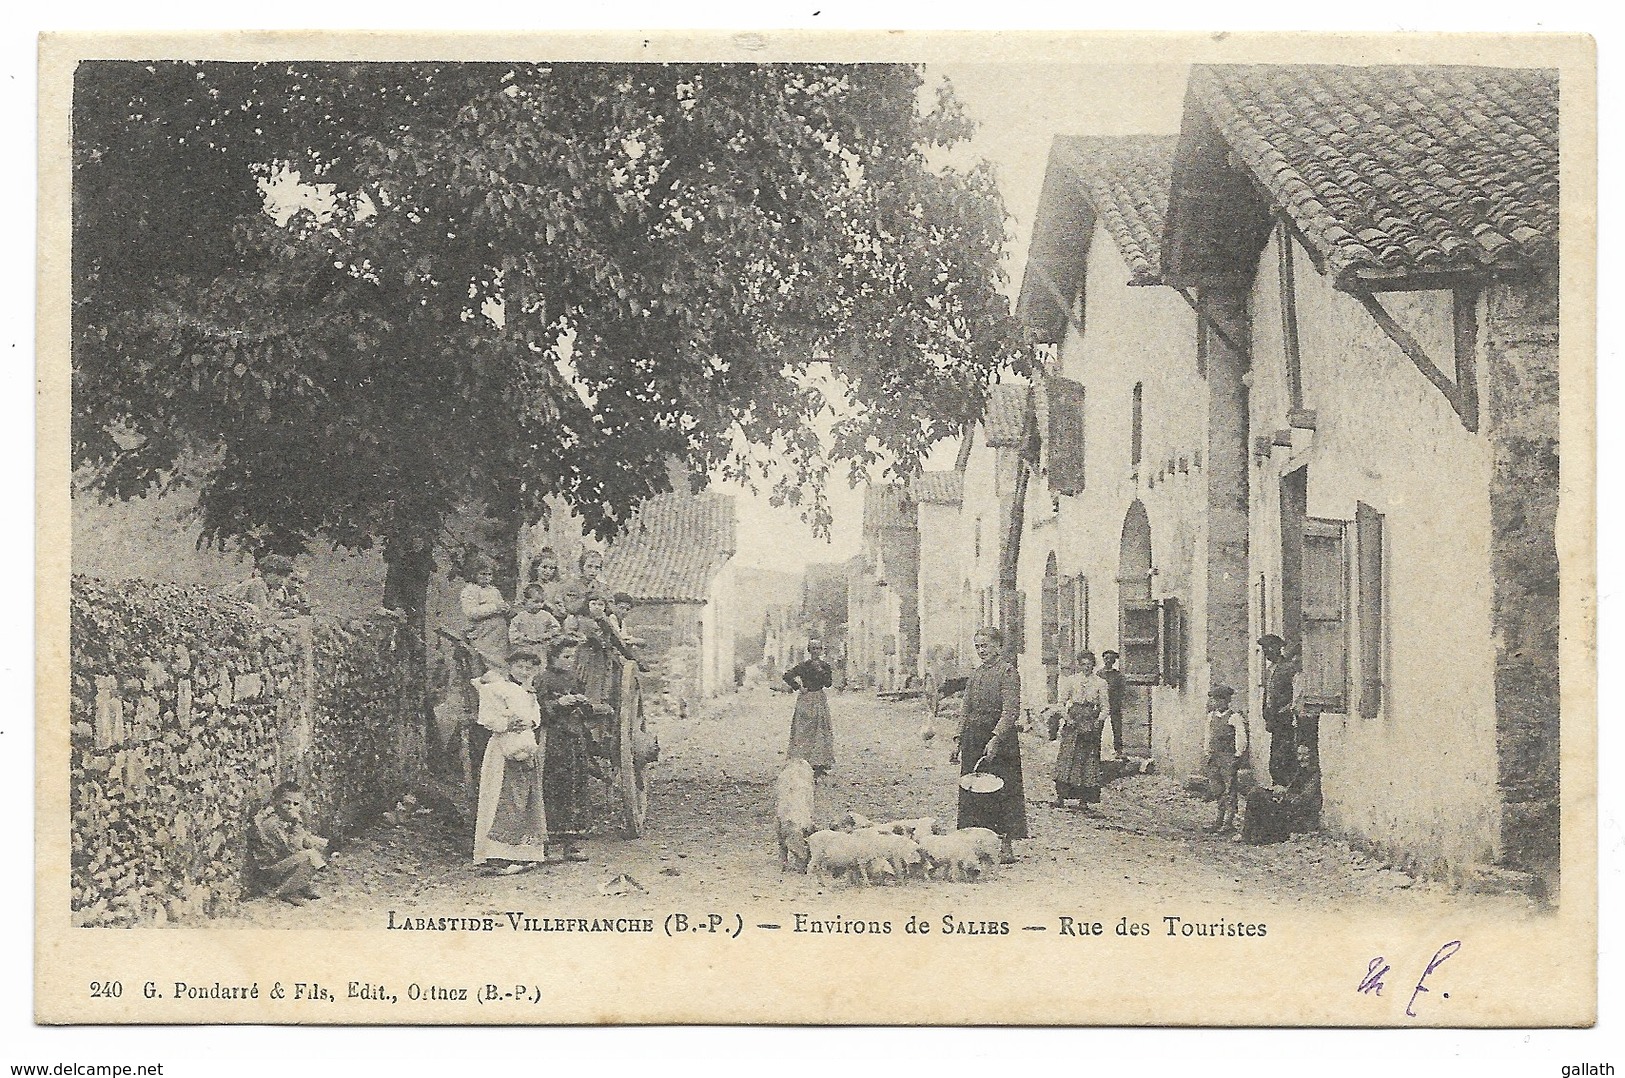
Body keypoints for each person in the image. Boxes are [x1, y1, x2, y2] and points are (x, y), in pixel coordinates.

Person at [472, 648, 550, 875]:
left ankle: (525, 853)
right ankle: (495, 851)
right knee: (499, 796)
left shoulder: (529, 692)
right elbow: (486, 717)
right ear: (511, 667)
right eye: (520, 667)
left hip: (524, 743)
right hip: (503, 747)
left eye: (529, 668)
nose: (524, 671)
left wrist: (531, 723)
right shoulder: (497, 689)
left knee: (526, 798)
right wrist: (506, 725)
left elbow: (537, 716)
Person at [954, 627, 1027, 863]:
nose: (981, 651)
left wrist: (996, 737)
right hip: (974, 737)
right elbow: (965, 709)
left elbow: (1011, 710)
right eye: (977, 646)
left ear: (998, 646)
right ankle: (975, 843)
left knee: (1002, 790)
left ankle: (1005, 846)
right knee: (972, 789)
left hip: (1000, 740)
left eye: (985, 646)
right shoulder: (976, 675)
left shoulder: (1008, 673)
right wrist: (958, 740)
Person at [536, 639, 596, 862]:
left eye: (572, 657)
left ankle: (571, 845)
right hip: (554, 738)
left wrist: (582, 702)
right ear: (553, 657)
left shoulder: (574, 679)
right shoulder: (542, 679)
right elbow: (539, 710)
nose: (570, 662)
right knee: (553, 786)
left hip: (574, 738)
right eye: (565, 657)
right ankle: (547, 846)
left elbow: (588, 711)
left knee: (576, 785)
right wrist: (559, 704)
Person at [248, 781, 330, 905]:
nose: (291, 807)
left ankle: (301, 884)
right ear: (275, 803)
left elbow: (301, 840)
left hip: (282, 863)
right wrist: (297, 824)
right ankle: (287, 891)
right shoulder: (272, 824)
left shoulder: (285, 821)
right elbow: (292, 848)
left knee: (313, 843)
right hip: (269, 870)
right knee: (309, 856)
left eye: (296, 804)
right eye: (286, 802)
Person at [1050, 650, 1108, 811]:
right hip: (1074, 720)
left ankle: (1084, 799)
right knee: (1067, 757)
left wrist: (1098, 721)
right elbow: (1061, 702)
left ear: (1093, 665)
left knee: (1087, 760)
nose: (1086, 667)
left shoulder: (1100, 683)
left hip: (1089, 721)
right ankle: (1061, 797)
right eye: (1083, 664)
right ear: (1079, 665)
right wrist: (1068, 719)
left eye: (1089, 664)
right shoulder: (1071, 681)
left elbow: (1105, 707)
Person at [1243, 742, 1322, 844]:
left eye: (1305, 754)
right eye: (1299, 755)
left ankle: (1264, 836)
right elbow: (1292, 789)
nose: (1301, 758)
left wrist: (1284, 796)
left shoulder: (1314, 774)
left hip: (1299, 814)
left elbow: (1304, 798)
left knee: (1258, 796)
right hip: (1290, 805)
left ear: (1312, 756)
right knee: (1256, 793)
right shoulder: (1302, 771)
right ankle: (1249, 834)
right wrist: (1281, 791)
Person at [783, 639, 836, 776]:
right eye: (813, 648)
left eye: (818, 648)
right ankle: (802, 760)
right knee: (804, 729)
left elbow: (829, 684)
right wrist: (799, 687)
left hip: (819, 698)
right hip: (806, 699)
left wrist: (821, 671)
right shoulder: (804, 666)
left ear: (821, 650)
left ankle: (819, 763)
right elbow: (787, 676)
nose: (815, 651)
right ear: (809, 650)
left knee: (820, 729)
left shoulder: (825, 666)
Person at [1203, 685, 1250, 835]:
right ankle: (1219, 819)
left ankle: (1228, 821)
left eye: (1221, 699)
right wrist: (1207, 751)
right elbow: (1208, 736)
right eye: (1215, 699)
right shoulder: (1211, 716)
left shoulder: (1234, 717)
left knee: (1230, 789)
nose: (1218, 703)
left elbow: (1241, 738)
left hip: (1228, 758)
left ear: (1228, 700)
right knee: (1217, 789)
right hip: (1214, 757)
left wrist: (1237, 755)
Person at [460, 555, 513, 676]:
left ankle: (500, 678)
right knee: (488, 658)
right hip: (483, 631)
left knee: (502, 657)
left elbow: (500, 604)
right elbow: (471, 612)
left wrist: (505, 608)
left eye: (489, 575)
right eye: (482, 574)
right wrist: (494, 608)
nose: (486, 578)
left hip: (499, 632)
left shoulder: (494, 590)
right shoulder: (470, 590)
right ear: (474, 574)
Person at [1259, 635, 1301, 785]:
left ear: (1277, 648)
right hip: (1275, 720)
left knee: (1284, 756)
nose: (1266, 653)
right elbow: (1268, 694)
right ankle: (1277, 786)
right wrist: (1266, 713)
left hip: (1286, 720)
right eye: (1264, 649)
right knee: (1275, 758)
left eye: (1268, 648)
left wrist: (1287, 709)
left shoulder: (1288, 668)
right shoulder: (1270, 670)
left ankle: (1285, 788)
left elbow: (1296, 694)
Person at [509, 583, 564, 654]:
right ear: (525, 601)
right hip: (526, 651)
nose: (540, 606)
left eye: (542, 602)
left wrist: (547, 635)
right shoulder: (519, 618)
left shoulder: (546, 616)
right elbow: (513, 636)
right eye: (536, 602)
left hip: (544, 649)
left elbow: (556, 630)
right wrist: (526, 638)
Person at [1099, 650, 1127, 759]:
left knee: (1117, 727)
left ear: (1114, 661)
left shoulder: (1118, 675)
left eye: (1111, 659)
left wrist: (1118, 702)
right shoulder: (1099, 674)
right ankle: (1095, 750)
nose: (1108, 661)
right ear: (1103, 659)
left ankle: (1118, 750)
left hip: (1114, 704)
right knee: (1098, 726)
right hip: (1101, 704)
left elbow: (1122, 690)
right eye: (1106, 658)